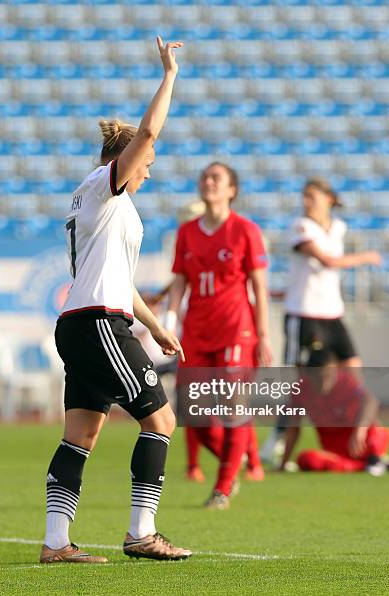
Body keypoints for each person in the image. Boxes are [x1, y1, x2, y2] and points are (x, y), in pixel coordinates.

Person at [41, 37, 191, 564]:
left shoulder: (96, 203)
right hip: (100, 325)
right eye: (147, 161)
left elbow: (117, 280)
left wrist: (155, 325)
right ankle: (141, 533)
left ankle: (56, 543)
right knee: (163, 422)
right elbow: (149, 130)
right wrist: (169, 75)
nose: (149, 168)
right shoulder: (107, 189)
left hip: (83, 323)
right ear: (124, 158)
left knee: (80, 433)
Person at [167, 162, 273, 510]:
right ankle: (237, 457)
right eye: (204, 177)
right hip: (195, 331)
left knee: (232, 407)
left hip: (235, 331)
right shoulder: (187, 233)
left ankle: (223, 486)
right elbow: (180, 281)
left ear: (232, 189)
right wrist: (169, 322)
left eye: (216, 178)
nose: (208, 182)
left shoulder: (245, 230)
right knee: (190, 410)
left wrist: (264, 336)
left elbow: (259, 286)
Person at [260, 178, 382, 464]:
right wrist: (365, 257)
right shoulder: (300, 227)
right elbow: (326, 261)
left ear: (328, 198)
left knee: (355, 378)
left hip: (332, 314)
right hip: (304, 315)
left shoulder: (338, 227)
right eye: (304, 196)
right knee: (301, 386)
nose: (306, 202)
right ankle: (277, 440)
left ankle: (366, 441)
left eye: (311, 196)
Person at [278, 348, 389, 475]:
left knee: (377, 432)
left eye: (328, 377)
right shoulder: (300, 390)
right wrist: (283, 464)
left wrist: (360, 431)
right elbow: (293, 429)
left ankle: (373, 459)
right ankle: (369, 464)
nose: (324, 384)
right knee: (306, 459)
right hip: (333, 446)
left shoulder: (346, 381)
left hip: (359, 440)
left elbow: (370, 402)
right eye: (318, 378)